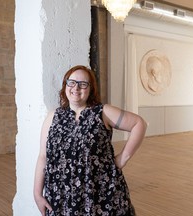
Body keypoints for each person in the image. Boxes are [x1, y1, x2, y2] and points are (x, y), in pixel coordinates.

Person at [34, 65, 147, 216]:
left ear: (90, 89)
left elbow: (139, 124)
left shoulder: (103, 112)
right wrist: (37, 194)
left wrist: (122, 159)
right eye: (71, 82)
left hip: (98, 192)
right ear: (65, 85)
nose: (76, 87)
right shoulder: (53, 116)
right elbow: (43, 156)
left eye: (83, 84)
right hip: (61, 195)